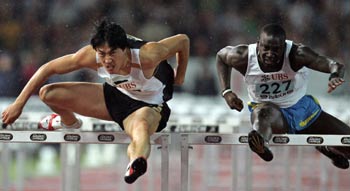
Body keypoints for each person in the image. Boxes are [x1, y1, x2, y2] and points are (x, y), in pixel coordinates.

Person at [1, 18, 190, 183]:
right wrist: (19, 104)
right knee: (48, 93)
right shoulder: (91, 56)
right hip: (114, 97)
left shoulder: (149, 55)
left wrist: (179, 77)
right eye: (102, 53)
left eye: (112, 53)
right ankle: (69, 122)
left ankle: (136, 161)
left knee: (139, 128)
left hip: (148, 106)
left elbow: (183, 40)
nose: (107, 61)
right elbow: (47, 68)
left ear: (125, 49)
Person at [216, 23, 350, 169]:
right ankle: (261, 143)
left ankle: (327, 149)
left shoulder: (297, 54)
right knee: (263, 114)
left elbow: (335, 65)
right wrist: (226, 92)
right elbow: (221, 57)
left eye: (276, 50)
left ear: (284, 47)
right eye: (265, 48)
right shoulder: (244, 56)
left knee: (347, 141)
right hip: (269, 112)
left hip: (302, 109)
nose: (270, 54)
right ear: (258, 44)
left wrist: (335, 75)